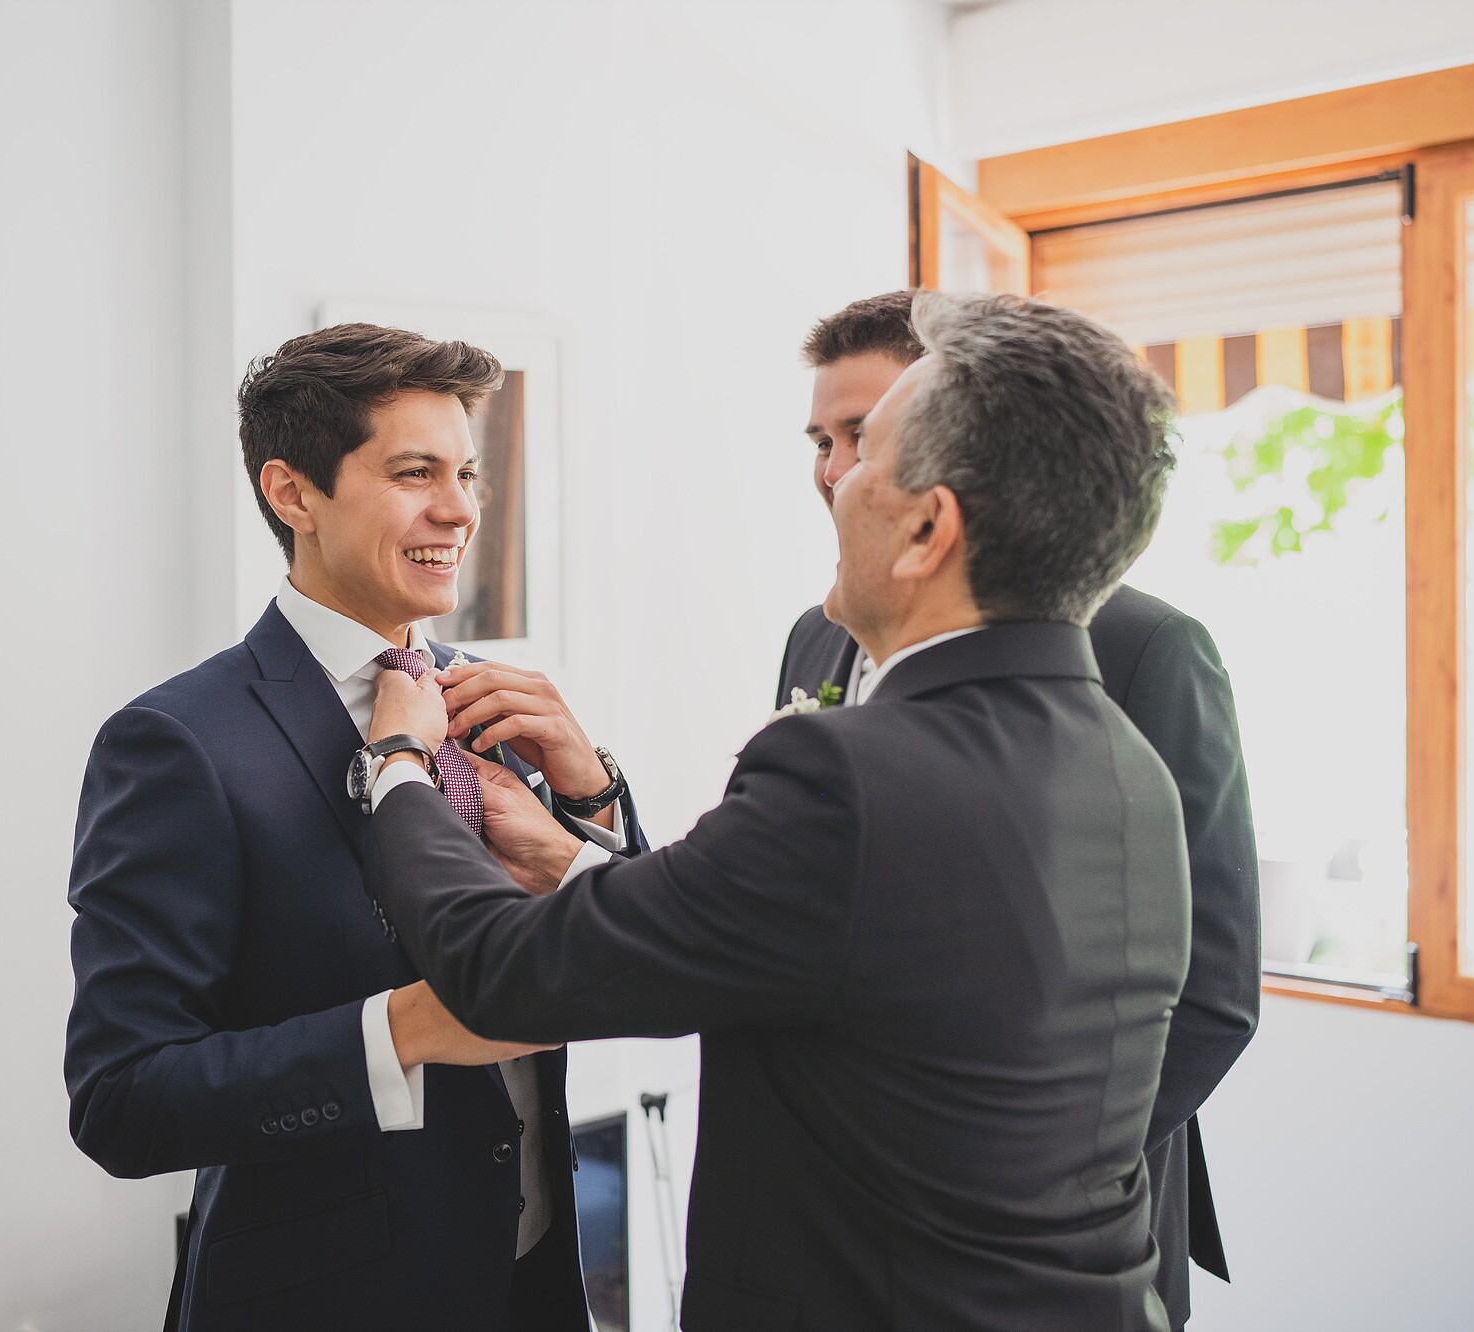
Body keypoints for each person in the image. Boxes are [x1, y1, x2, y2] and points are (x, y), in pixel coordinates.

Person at [361, 292, 1191, 1331]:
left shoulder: (851, 773)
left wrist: (396, 764)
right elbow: (823, 950)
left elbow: (504, 972)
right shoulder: (1124, 767)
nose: (831, 483)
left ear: (929, 527)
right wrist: (581, 842)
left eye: (864, 458)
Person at [64, 323, 647, 1331]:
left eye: (466, 473)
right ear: (293, 494)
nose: (458, 510)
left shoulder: (490, 705)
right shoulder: (177, 743)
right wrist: (411, 1030)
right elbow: (121, 1097)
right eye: (415, 472)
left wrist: (591, 800)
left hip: (536, 1278)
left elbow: (636, 947)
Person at [778, 290, 1262, 1329]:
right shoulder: (812, 639)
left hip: (1062, 1233)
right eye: (818, 439)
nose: (831, 470)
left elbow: (1213, 989)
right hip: (844, 1218)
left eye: (858, 435)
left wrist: (1022, 1184)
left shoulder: (1144, 648)